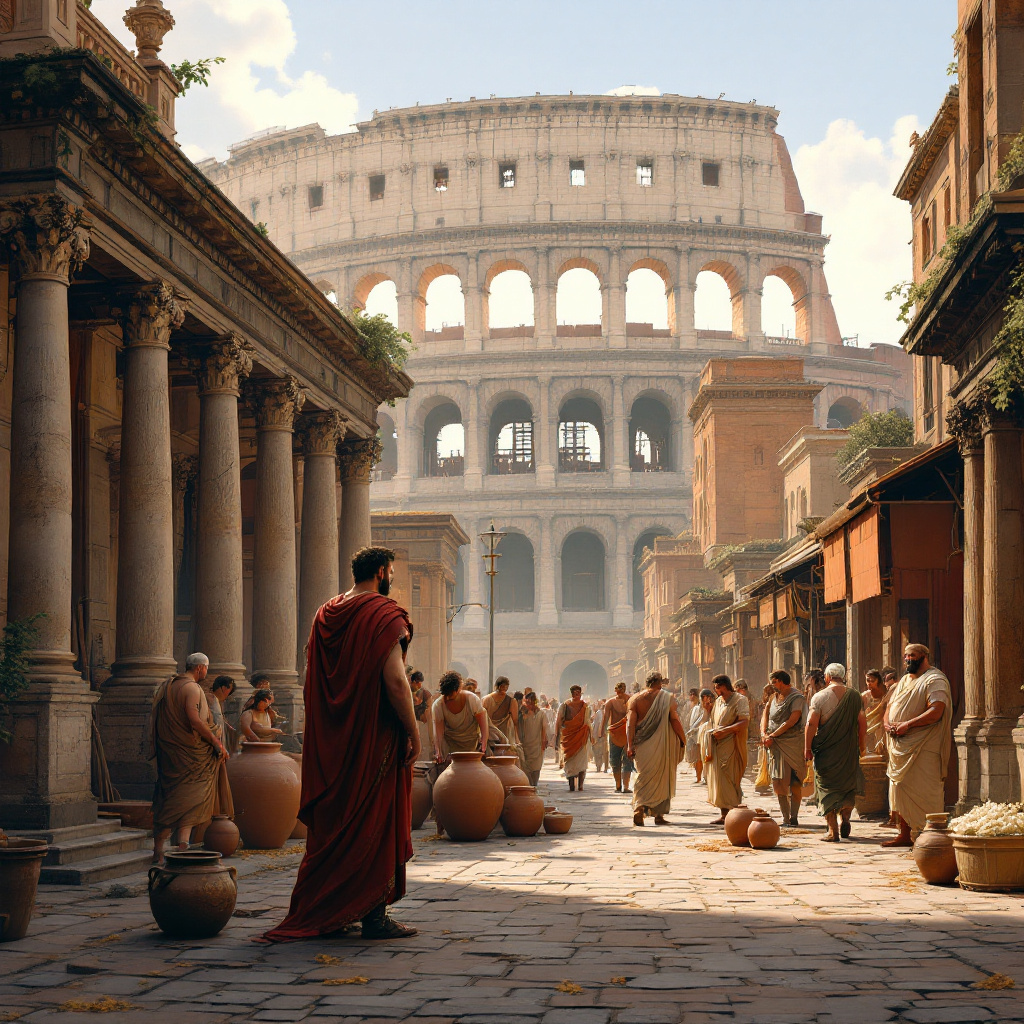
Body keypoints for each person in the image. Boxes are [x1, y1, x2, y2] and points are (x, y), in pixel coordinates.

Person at [263, 545, 418, 942]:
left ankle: (334, 910)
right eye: (392, 573)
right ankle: (373, 918)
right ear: (382, 572)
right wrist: (414, 731)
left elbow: (314, 672)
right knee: (374, 823)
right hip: (373, 738)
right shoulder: (384, 614)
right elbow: (397, 681)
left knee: (335, 829)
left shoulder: (326, 612)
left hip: (332, 741)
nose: (392, 579)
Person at [150, 653, 227, 865]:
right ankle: (174, 847)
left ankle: (173, 847)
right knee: (183, 800)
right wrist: (215, 741)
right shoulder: (192, 688)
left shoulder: (168, 686)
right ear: (201, 668)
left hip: (171, 753)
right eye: (206, 670)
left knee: (178, 800)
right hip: (189, 754)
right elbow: (194, 721)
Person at [882, 644, 952, 848]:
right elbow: (890, 706)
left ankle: (930, 834)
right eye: (905, 656)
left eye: (912, 656)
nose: (907, 660)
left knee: (925, 789)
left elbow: (936, 710)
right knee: (900, 790)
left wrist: (907, 725)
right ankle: (904, 833)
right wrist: (887, 723)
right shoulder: (904, 680)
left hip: (924, 745)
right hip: (900, 745)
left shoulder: (935, 679)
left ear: (924, 657)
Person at [804, 663, 866, 842]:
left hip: (826, 751)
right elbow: (862, 723)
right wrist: (862, 746)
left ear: (828, 677)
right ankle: (845, 818)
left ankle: (832, 830)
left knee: (826, 787)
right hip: (848, 750)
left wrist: (807, 748)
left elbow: (811, 724)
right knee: (847, 786)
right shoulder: (855, 696)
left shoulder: (820, 697)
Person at [626, 672, 687, 826]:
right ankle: (659, 815)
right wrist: (682, 738)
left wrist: (629, 745)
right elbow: (674, 720)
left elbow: (630, 724)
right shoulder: (667, 698)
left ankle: (639, 807)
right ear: (660, 683)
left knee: (642, 776)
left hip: (642, 745)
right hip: (662, 745)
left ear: (647, 683)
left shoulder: (635, 699)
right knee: (663, 775)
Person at [701, 674, 748, 825]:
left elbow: (744, 722)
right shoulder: (718, 702)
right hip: (717, 745)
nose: (716, 691)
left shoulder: (740, 700)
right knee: (719, 780)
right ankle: (724, 814)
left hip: (732, 745)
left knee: (731, 778)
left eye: (717, 687)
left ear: (725, 686)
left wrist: (725, 731)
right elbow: (713, 722)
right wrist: (708, 711)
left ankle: (734, 815)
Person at [762, 670, 806, 827]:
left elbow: (792, 720)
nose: (772, 685)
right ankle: (785, 818)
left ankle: (794, 817)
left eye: (774, 682)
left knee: (795, 781)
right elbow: (765, 715)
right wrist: (764, 734)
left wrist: (773, 735)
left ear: (781, 681)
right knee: (778, 781)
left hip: (793, 743)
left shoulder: (797, 697)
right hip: (775, 745)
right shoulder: (774, 697)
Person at [433, 669, 488, 760]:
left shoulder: (472, 700)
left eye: (451, 694)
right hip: (450, 747)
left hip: (471, 745)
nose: (448, 697)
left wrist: (484, 744)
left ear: (458, 689)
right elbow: (438, 732)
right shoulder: (438, 705)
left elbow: (483, 724)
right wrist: (438, 751)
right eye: (446, 694)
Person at [208, 675, 236, 818]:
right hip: (213, 749)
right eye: (229, 691)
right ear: (224, 688)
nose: (228, 695)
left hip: (219, 748)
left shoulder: (216, 701)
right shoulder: (211, 700)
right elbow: (212, 727)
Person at [555, 685, 592, 792]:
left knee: (582, 763)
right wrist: (556, 735)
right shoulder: (565, 706)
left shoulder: (585, 706)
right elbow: (559, 721)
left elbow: (587, 722)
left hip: (581, 737)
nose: (577, 696)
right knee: (569, 762)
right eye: (575, 694)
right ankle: (571, 785)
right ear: (571, 694)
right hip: (568, 738)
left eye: (578, 694)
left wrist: (591, 735)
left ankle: (580, 785)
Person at [605, 682, 635, 793]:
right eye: (619, 691)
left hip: (627, 733)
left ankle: (624, 786)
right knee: (616, 760)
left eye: (622, 691)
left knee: (627, 759)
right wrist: (602, 733)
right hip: (615, 734)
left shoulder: (631, 700)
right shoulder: (611, 702)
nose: (620, 693)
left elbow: (635, 717)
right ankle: (619, 785)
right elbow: (605, 718)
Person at [518, 691, 550, 786]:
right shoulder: (523, 714)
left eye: (530, 702)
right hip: (525, 745)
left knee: (536, 767)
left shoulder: (541, 714)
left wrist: (544, 741)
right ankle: (529, 785)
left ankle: (534, 785)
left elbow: (544, 728)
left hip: (537, 745)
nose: (528, 705)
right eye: (526, 702)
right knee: (525, 766)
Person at [482, 676, 520, 753]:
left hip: (490, 732)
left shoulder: (486, 699)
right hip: (501, 734)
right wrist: (516, 738)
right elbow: (515, 721)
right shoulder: (511, 701)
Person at [685, 688, 712, 784]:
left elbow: (706, 720)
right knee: (697, 757)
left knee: (705, 756)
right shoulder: (696, 708)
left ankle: (706, 777)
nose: (706, 699)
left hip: (706, 734)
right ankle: (699, 777)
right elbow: (694, 722)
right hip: (696, 735)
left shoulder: (711, 707)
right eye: (704, 697)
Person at [863, 668, 891, 754]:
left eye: (872, 681)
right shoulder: (865, 696)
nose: (869, 683)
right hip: (869, 729)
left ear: (878, 681)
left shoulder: (886, 694)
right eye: (868, 680)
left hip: (883, 727)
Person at [409, 670, 433, 762]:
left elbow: (429, 712)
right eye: (417, 683)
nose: (419, 685)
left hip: (423, 724)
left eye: (420, 683)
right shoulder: (406, 691)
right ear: (413, 682)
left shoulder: (425, 694)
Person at [591, 699, 609, 773]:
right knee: (604, 752)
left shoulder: (599, 713)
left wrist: (596, 735)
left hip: (599, 736)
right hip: (603, 736)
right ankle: (604, 767)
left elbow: (598, 725)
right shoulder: (601, 713)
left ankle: (599, 767)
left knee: (599, 752)